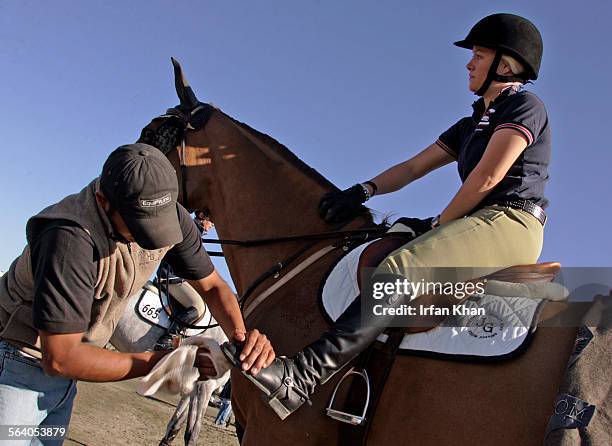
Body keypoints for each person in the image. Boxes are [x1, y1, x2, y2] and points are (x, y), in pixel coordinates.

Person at [222, 13, 551, 420]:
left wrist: (439, 223)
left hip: (511, 220)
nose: (469, 63)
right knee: (386, 236)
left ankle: (302, 377)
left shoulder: (524, 105)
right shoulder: (470, 124)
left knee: (401, 266)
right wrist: (364, 189)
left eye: (478, 55)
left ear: (504, 64)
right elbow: (413, 167)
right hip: (478, 218)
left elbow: (487, 178)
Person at [0, 144, 275, 439]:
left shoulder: (173, 215)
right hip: (21, 364)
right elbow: (61, 357)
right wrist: (163, 361)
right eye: (140, 228)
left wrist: (242, 337)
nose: (151, 241)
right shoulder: (70, 239)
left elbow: (213, 286)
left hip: (66, 380)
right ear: (103, 201)